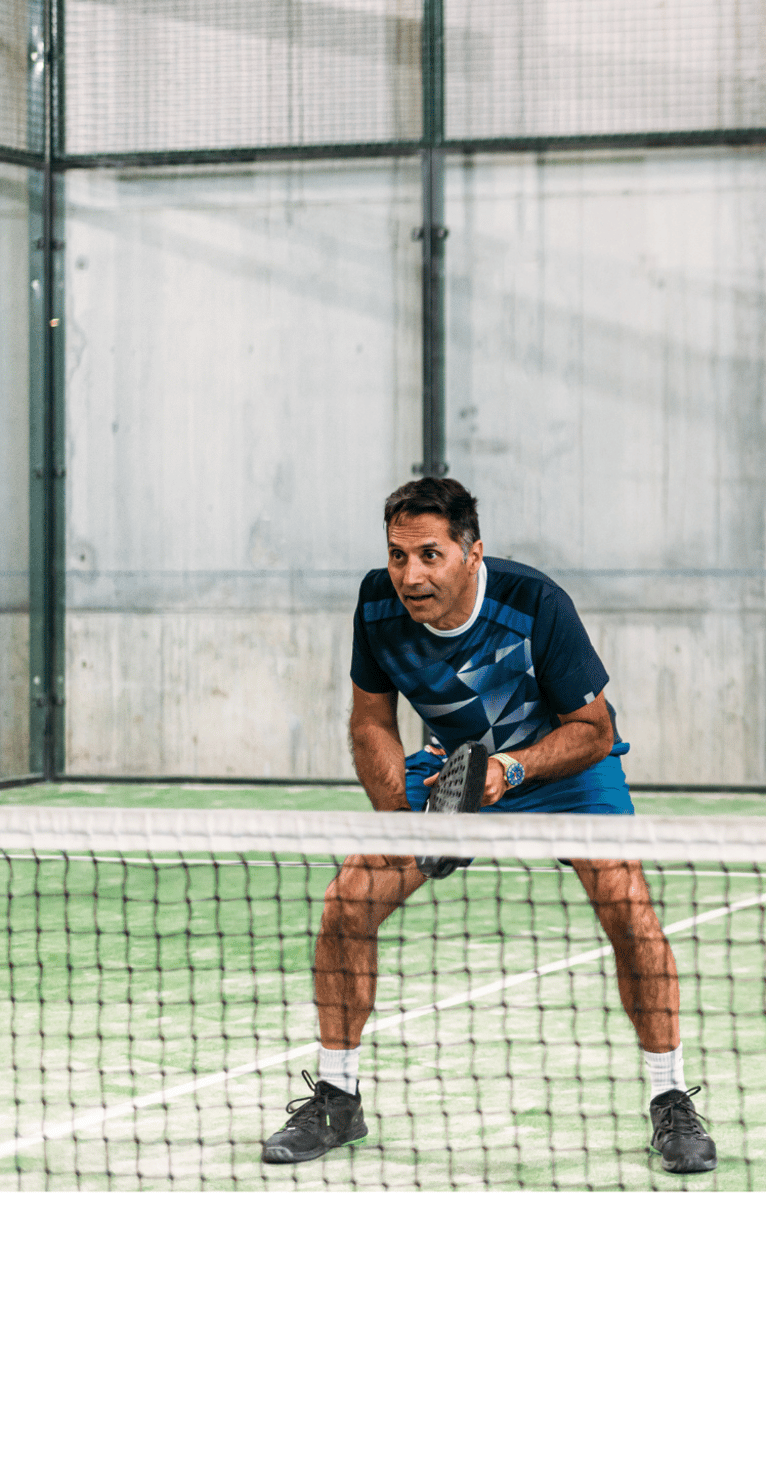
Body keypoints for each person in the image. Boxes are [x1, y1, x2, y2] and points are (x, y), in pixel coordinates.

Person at [261, 476, 717, 1174]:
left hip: (561, 771)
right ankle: (336, 1097)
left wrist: (509, 771)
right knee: (348, 903)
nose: (410, 574)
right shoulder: (377, 605)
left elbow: (594, 731)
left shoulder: (534, 604)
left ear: (473, 554)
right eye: (397, 555)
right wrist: (406, 825)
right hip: (453, 774)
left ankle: (671, 1100)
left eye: (429, 555)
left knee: (629, 909)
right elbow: (371, 722)